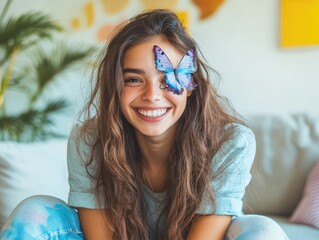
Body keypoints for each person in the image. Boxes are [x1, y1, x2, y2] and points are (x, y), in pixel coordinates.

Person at [0, 9, 289, 240]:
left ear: (191, 86)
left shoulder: (232, 141)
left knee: (264, 232)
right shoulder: (89, 139)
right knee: (34, 211)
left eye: (168, 80)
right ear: (115, 85)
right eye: (134, 79)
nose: (152, 96)